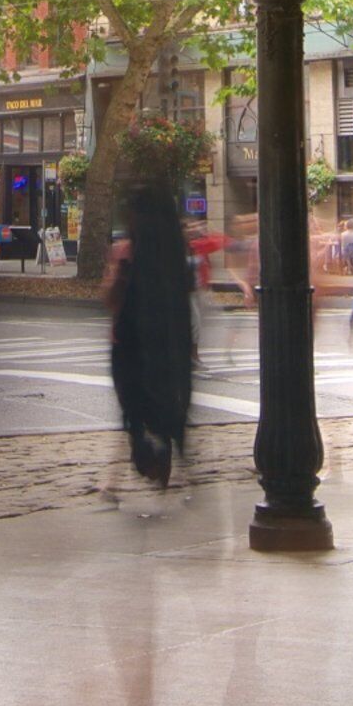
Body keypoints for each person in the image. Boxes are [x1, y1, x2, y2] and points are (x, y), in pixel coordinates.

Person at [107, 181, 197, 495]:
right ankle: (160, 453)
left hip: (133, 343)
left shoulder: (131, 252)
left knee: (135, 407)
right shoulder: (174, 253)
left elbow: (113, 298)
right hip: (162, 343)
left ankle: (150, 456)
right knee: (156, 406)